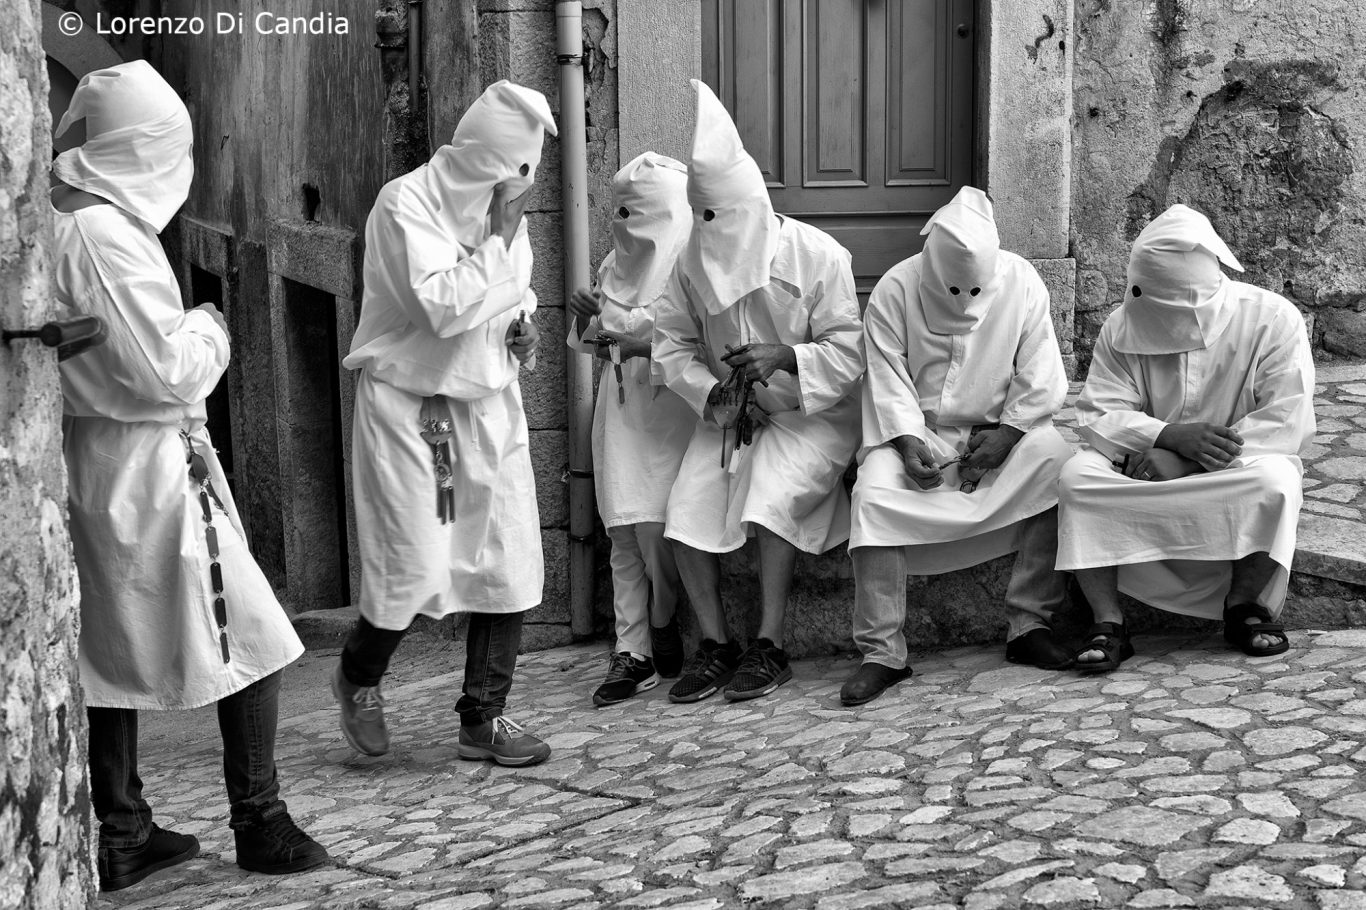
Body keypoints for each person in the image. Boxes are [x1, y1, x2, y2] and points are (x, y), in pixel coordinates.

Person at [50, 61, 328, 892]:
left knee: (106, 650)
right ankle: (260, 821)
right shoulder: (101, 235)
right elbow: (164, 371)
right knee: (253, 633)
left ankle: (123, 832)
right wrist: (211, 328)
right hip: (148, 465)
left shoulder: (66, 216)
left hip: (103, 457)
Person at [332, 81, 554, 764]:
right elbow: (440, 308)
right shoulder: (404, 205)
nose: (517, 196)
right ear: (485, 164)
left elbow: (515, 290)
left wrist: (524, 329)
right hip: (415, 412)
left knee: (507, 562)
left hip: (488, 406)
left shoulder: (503, 215)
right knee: (415, 562)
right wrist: (502, 238)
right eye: (511, 180)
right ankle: (358, 676)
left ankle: (483, 717)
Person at [651, 80, 865, 703]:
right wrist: (712, 394)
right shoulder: (689, 260)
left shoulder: (819, 255)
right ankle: (715, 644)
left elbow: (851, 352)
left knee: (769, 496)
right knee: (685, 511)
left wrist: (788, 356)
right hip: (732, 417)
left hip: (809, 414)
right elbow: (670, 344)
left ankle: (768, 645)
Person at [841, 187, 1077, 706]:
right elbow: (885, 377)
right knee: (873, 492)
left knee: (1057, 466)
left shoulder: (1022, 280)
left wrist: (1009, 434)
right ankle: (882, 652)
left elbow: (1040, 371)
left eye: (975, 291)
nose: (965, 303)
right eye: (953, 290)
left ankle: (1029, 624)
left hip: (1001, 431)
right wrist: (907, 442)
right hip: (918, 432)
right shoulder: (896, 286)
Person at [1056, 204, 1315, 670]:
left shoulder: (1272, 318)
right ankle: (1108, 619)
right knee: (1077, 479)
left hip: (1238, 465)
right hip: (1144, 463)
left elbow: (1285, 420)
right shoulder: (1122, 324)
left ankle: (1243, 605)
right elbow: (1098, 411)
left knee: (1275, 483)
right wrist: (1166, 435)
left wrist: (1191, 460)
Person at [567, 153, 695, 706]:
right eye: (623, 214)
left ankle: (663, 617)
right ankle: (632, 650)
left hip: (669, 413)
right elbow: (591, 342)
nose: (629, 228)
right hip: (619, 412)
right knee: (621, 528)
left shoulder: (693, 267)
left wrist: (641, 346)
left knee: (658, 530)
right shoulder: (611, 263)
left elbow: (701, 348)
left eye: (642, 215)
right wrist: (584, 314)